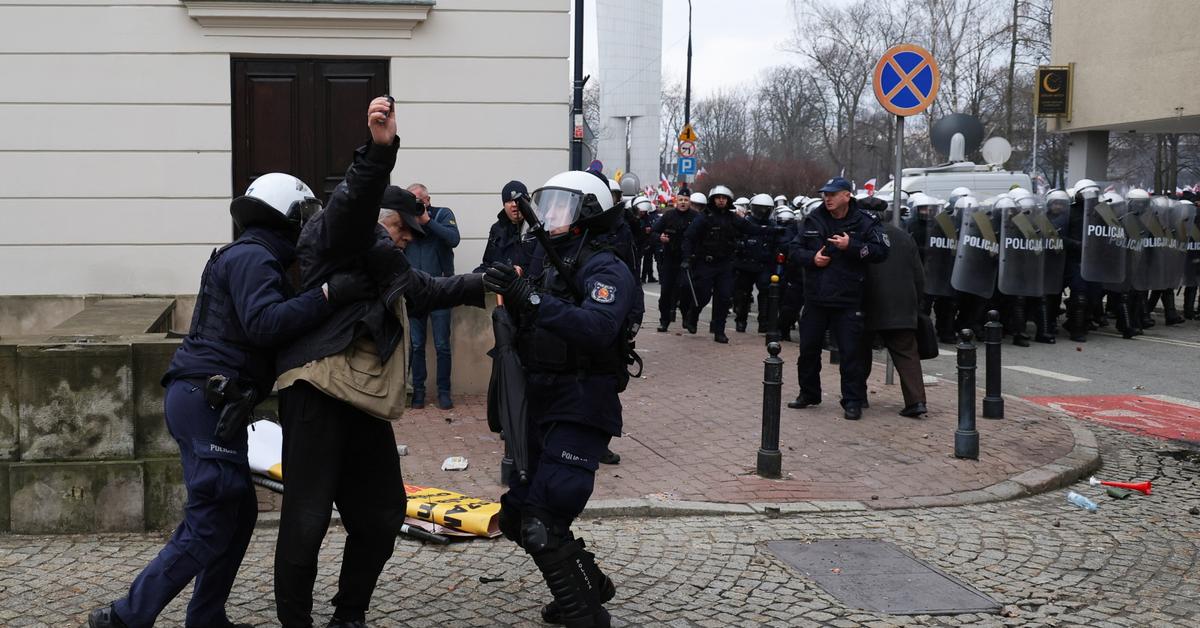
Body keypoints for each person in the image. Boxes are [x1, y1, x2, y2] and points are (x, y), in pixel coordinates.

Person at [87, 171, 371, 627]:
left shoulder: (258, 257)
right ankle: (125, 617)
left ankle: (206, 618)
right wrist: (326, 294)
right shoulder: (254, 257)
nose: (308, 228)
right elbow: (265, 324)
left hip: (214, 398)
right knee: (213, 515)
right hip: (207, 397)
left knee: (237, 516)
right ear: (288, 217)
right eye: (304, 217)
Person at [272, 99, 487, 628]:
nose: (412, 238)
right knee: (307, 518)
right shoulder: (337, 234)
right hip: (318, 388)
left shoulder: (388, 261)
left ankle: (349, 617)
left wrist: (489, 280)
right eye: (406, 229)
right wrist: (379, 151)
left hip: (361, 400)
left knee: (383, 513)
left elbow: (429, 290)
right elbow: (353, 201)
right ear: (383, 218)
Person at [483, 169, 643, 628]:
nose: (549, 213)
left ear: (586, 214)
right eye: (546, 203)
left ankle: (586, 614)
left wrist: (531, 300)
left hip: (581, 399)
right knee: (517, 515)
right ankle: (589, 581)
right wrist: (509, 289)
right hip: (542, 398)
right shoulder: (546, 259)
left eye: (560, 205)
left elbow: (597, 327)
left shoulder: (605, 265)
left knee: (543, 517)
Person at [787, 177, 889, 420]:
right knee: (808, 349)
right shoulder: (813, 219)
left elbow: (882, 251)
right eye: (825, 194)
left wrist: (851, 245)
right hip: (816, 297)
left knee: (850, 353)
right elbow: (793, 249)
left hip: (848, 298)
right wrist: (812, 259)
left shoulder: (865, 221)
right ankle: (809, 393)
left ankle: (852, 400)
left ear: (847, 195)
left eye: (833, 194)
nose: (827, 198)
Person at [857, 196, 928, 417]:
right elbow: (919, 276)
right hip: (901, 305)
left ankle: (857, 397)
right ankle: (916, 402)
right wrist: (917, 304)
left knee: (858, 351)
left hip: (866, 303)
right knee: (907, 354)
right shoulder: (904, 237)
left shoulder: (857, 237)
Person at [682, 187, 777, 343]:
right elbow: (689, 238)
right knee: (703, 295)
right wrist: (686, 258)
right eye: (718, 197)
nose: (721, 200)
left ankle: (719, 331)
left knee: (724, 297)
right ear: (713, 199)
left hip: (725, 264)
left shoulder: (732, 218)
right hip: (706, 262)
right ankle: (693, 314)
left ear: (728, 200)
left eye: (724, 198)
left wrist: (773, 231)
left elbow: (750, 228)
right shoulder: (704, 218)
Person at [404, 182, 462, 409]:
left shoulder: (442, 214)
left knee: (442, 345)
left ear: (428, 200)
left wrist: (427, 221)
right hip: (414, 291)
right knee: (416, 345)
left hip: (440, 289)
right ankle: (418, 391)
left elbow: (453, 239)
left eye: (418, 200)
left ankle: (444, 392)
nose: (415, 205)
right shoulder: (405, 221)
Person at [651, 189, 700, 332]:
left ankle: (686, 316)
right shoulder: (668, 216)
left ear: (689, 202)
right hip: (669, 259)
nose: (683, 203)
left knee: (686, 289)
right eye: (680, 200)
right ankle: (664, 320)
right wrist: (660, 238)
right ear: (676, 201)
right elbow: (654, 232)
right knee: (666, 291)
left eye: (685, 200)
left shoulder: (696, 217)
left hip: (688, 260)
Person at [733, 193, 781, 333]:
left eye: (766, 209)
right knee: (743, 294)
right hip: (746, 264)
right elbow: (736, 240)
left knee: (766, 293)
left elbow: (777, 244)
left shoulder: (773, 225)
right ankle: (741, 321)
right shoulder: (745, 223)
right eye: (760, 208)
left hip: (764, 264)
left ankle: (764, 322)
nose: (763, 212)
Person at [475, 180, 532, 273]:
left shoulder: (537, 229)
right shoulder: (496, 229)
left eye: (518, 199)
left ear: (527, 202)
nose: (514, 204)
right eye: (509, 201)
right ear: (503, 205)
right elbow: (487, 264)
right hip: (500, 284)